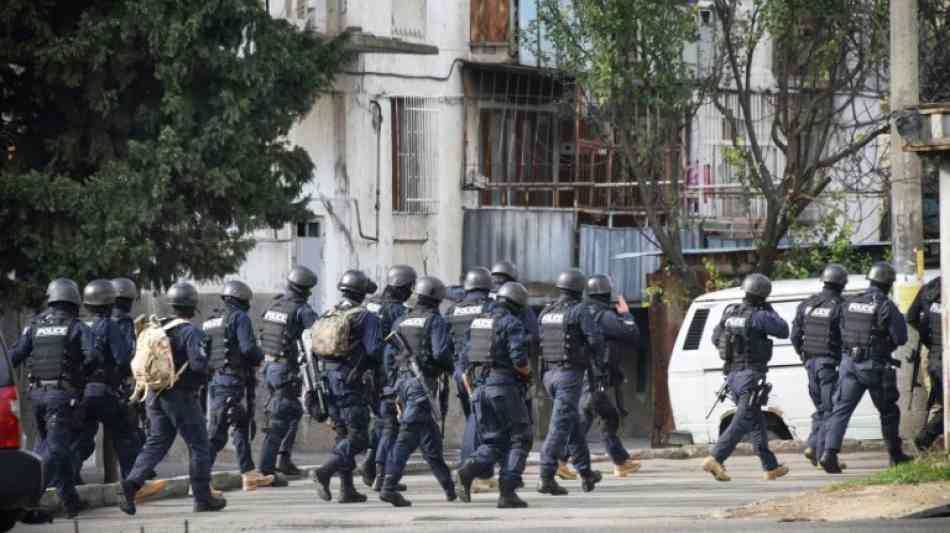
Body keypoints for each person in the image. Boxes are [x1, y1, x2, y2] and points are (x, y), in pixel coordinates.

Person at [117, 282, 227, 514]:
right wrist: (210, 368)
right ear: (193, 306)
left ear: (171, 304)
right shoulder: (190, 331)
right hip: (181, 397)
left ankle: (130, 485)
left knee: (156, 442)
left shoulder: (158, 328)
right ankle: (202, 497)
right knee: (199, 446)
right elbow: (198, 365)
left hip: (154, 394)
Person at [11, 279, 95, 518]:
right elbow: (93, 358)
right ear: (74, 301)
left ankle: (70, 502)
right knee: (55, 451)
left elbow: (14, 355)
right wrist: (80, 377)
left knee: (51, 449)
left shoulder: (33, 325)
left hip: (35, 397)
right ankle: (26, 501)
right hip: (61, 397)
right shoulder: (77, 327)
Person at [821, 262, 911, 472]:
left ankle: (829, 454)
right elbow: (901, 337)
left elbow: (838, 330)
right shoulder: (885, 305)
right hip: (873, 366)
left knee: (841, 411)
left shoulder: (849, 302)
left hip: (848, 365)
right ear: (888, 284)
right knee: (888, 411)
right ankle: (896, 456)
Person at [703, 273, 790, 482]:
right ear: (763, 295)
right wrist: (768, 308)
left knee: (755, 420)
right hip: (751, 375)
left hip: (732, 376)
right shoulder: (759, 316)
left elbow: (716, 339)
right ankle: (716, 457)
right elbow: (783, 330)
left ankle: (770, 467)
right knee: (741, 421)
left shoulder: (730, 313)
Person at [378, 276, 456, 507]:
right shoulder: (434, 321)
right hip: (421, 384)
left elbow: (388, 356)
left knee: (430, 440)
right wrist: (451, 368)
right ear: (437, 298)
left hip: (403, 382)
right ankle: (389, 486)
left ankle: (451, 489)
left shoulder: (402, 320)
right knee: (406, 437)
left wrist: (395, 381)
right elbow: (441, 353)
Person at [454, 282, 533, 508]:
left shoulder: (478, 322)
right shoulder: (511, 323)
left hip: (480, 389)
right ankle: (507, 492)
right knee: (521, 437)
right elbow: (519, 360)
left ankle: (468, 471)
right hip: (503, 387)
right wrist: (528, 374)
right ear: (517, 304)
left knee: (494, 441)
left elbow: (463, 359)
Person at [312, 270, 384, 504]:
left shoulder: (329, 313)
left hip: (327, 380)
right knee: (359, 437)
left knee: (343, 434)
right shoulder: (366, 317)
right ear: (362, 293)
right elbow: (374, 351)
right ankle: (324, 471)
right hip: (350, 382)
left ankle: (347, 489)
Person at [564, 275, 641, 478]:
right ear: (606, 293)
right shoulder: (602, 315)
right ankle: (558, 459)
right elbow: (632, 333)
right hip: (593, 376)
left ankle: (620, 461)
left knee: (608, 417)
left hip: (586, 374)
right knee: (584, 417)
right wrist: (626, 314)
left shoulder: (583, 311)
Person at [536, 269, 606, 495]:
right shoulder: (579, 310)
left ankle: (586, 474)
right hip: (569, 376)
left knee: (572, 423)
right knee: (559, 426)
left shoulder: (546, 312)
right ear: (579, 290)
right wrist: (597, 359)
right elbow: (595, 340)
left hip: (549, 376)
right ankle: (546, 475)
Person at [204, 280, 274, 491]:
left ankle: (249, 474)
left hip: (217, 379)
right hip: (232, 382)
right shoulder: (239, 317)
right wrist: (262, 356)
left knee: (240, 426)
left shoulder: (210, 321)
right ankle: (199, 480)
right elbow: (247, 348)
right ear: (243, 300)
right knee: (218, 433)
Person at [72, 280, 139, 484]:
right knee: (126, 436)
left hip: (84, 392)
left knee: (82, 440)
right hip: (106, 390)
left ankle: (70, 479)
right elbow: (122, 358)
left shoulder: (82, 325)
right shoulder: (110, 325)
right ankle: (132, 484)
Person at [257, 266, 319, 481]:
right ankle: (266, 469)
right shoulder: (302, 309)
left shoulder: (274, 305)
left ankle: (283, 459)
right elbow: (319, 335)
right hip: (285, 369)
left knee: (292, 412)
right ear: (305, 290)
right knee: (281, 418)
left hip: (269, 367)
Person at [361, 265, 415, 491]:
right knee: (391, 425)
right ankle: (381, 475)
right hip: (385, 374)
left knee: (380, 421)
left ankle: (370, 464)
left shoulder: (370, 303)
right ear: (404, 287)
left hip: (362, 372)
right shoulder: (397, 311)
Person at [791, 264, 849, 470]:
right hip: (829, 365)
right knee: (830, 410)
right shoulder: (840, 306)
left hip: (810, 364)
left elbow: (795, 336)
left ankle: (814, 449)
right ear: (842, 283)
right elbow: (846, 337)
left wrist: (804, 357)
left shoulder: (807, 304)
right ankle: (819, 450)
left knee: (822, 409)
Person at [445, 268, 495, 486]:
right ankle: (468, 469)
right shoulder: (489, 307)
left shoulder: (454, 309)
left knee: (474, 417)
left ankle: (483, 473)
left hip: (459, 370)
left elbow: (444, 341)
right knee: (478, 420)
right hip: (481, 371)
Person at [908, 276, 944, 452]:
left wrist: (928, 339)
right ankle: (926, 440)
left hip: (932, 354)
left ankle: (931, 445)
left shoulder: (930, 287)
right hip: (941, 356)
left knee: (938, 402)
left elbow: (911, 317)